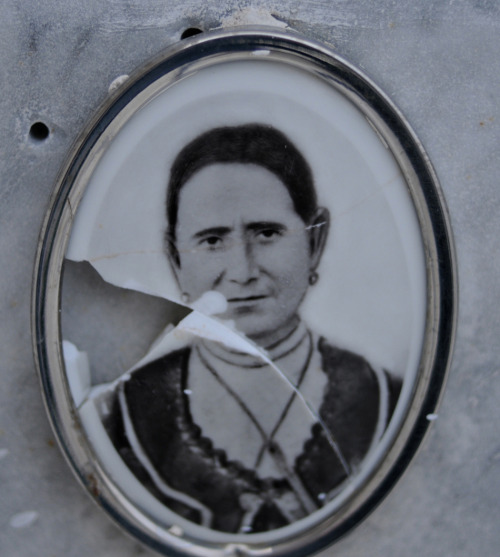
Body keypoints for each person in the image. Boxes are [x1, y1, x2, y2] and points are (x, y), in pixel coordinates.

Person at [102, 124, 401, 534]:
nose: (242, 272)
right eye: (211, 240)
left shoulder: (382, 398)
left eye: (267, 233)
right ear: (176, 260)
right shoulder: (125, 414)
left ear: (315, 242)